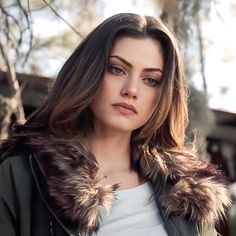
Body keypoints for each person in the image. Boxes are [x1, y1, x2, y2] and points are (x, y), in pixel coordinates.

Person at [0, 13, 231, 236]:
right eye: (117, 69)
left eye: (150, 80)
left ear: (165, 95)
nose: (131, 90)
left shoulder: (188, 194)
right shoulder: (21, 176)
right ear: (88, 72)